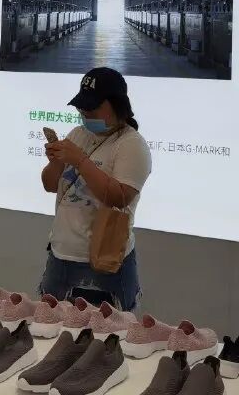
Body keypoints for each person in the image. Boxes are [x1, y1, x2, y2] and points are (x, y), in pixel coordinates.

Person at [40, 67, 152, 311]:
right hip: (60, 254)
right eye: (81, 106)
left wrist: (80, 160)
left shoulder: (131, 144)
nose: (84, 112)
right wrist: (56, 161)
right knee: (49, 326)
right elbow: (50, 185)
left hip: (102, 262)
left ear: (118, 106)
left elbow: (119, 197)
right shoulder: (78, 134)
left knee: (99, 332)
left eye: (92, 107)